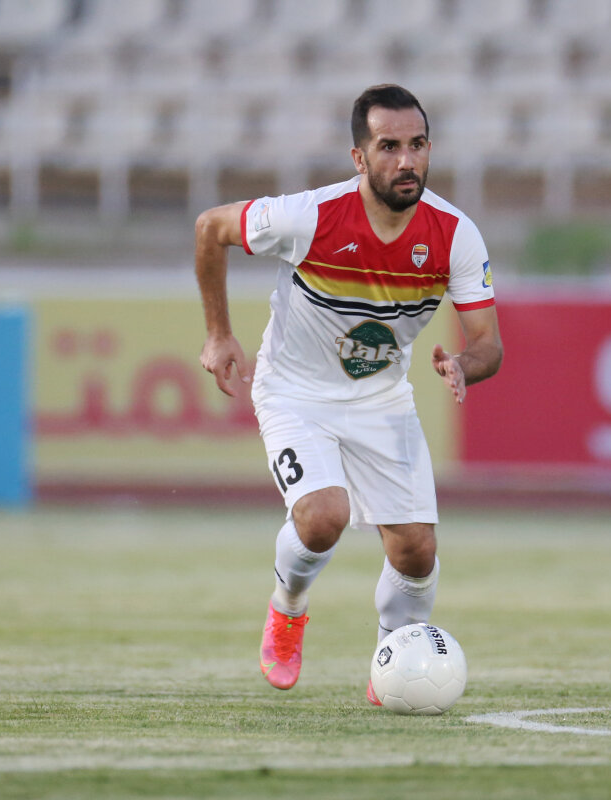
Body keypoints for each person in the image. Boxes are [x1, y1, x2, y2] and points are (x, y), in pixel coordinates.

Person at [194, 84, 502, 703]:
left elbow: (488, 344)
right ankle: (288, 609)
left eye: (417, 145)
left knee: (416, 551)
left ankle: (392, 664)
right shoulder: (309, 217)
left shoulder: (454, 235)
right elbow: (210, 228)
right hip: (294, 393)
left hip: (381, 400)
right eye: (389, 147)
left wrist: (464, 366)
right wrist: (219, 334)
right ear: (359, 158)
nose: (406, 161)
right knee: (322, 517)